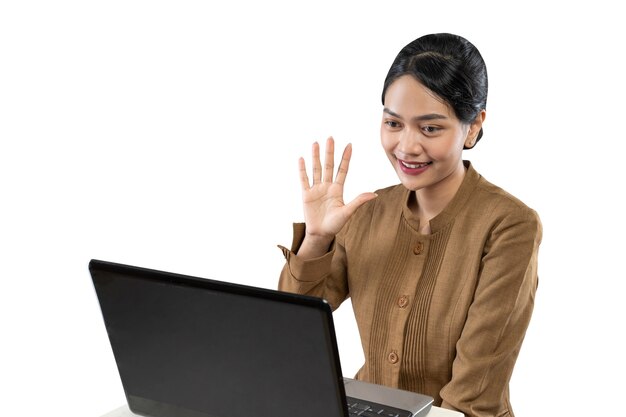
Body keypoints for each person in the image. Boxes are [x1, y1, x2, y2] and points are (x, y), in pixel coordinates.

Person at [277, 33, 541, 417]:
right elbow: (289, 329)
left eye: (430, 128)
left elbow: (474, 394)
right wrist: (317, 239)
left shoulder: (509, 225)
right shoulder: (366, 211)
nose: (407, 146)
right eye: (393, 123)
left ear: (472, 127)